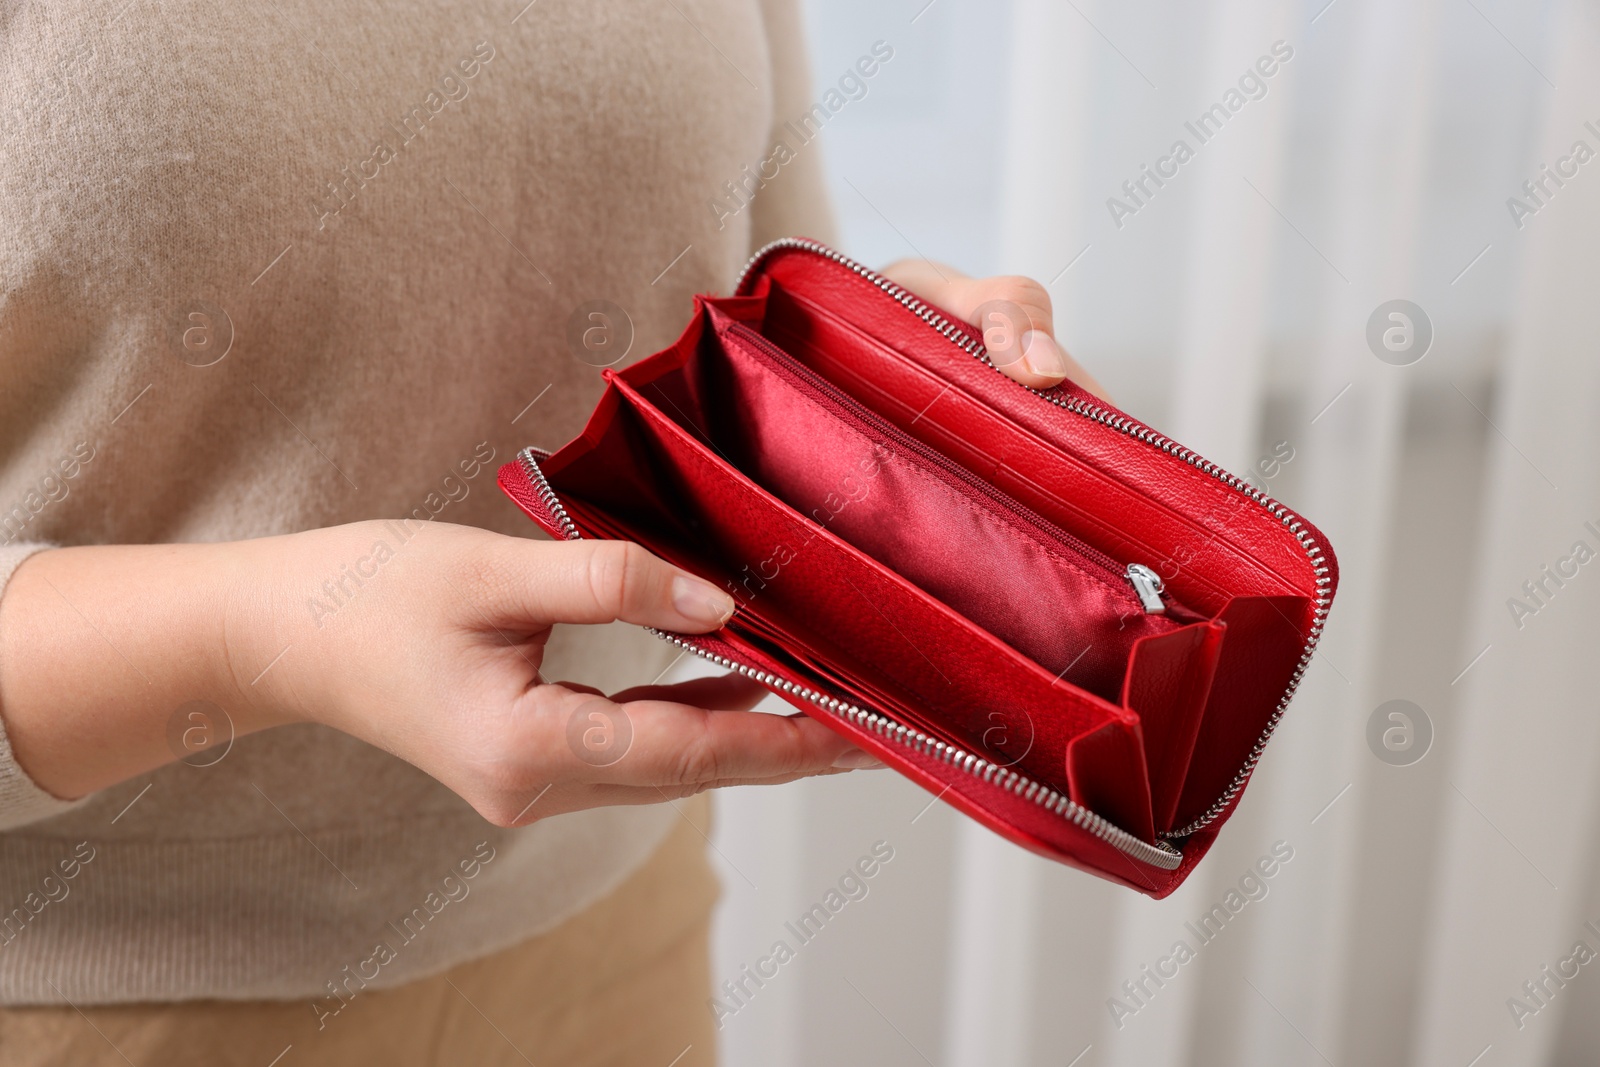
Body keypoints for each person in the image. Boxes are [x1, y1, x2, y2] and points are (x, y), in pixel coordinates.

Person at [0, 1, 1103, 1063]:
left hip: (616, 942)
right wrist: (276, 634)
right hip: (91, 1002)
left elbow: (739, 272)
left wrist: (869, 378)